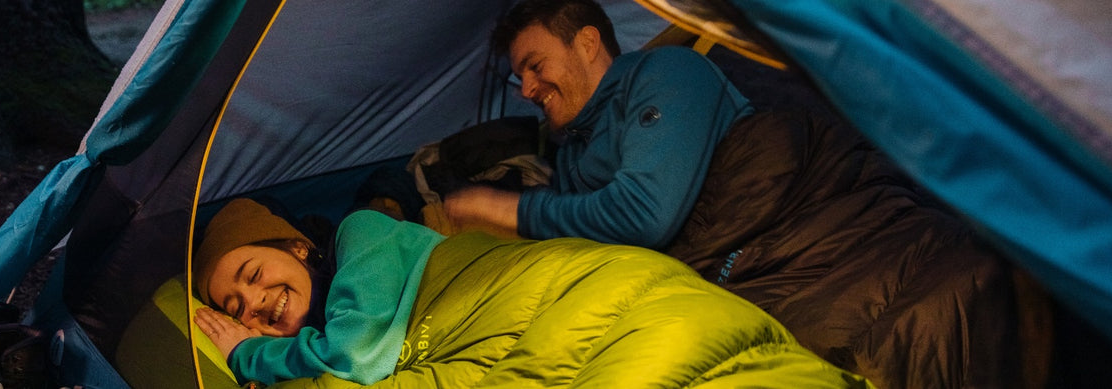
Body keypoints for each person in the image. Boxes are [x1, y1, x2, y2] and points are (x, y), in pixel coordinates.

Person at [441, 0, 753, 249]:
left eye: (535, 67)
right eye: (520, 79)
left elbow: (642, 216)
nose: (525, 90)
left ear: (587, 44)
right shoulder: (571, 152)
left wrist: (509, 210)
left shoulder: (670, 72)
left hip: (772, 256)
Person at [191, 198, 445, 385]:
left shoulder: (361, 231)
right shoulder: (303, 353)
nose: (254, 302)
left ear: (298, 248)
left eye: (254, 274)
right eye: (237, 308)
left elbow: (353, 355)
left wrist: (246, 353)